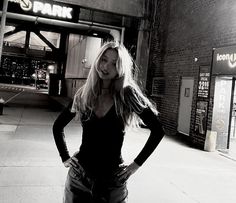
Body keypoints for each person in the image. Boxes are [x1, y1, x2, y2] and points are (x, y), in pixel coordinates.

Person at [52, 41, 165, 203]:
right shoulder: (84, 94)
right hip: (79, 178)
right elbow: (58, 126)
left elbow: (158, 130)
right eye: (104, 60)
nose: (106, 67)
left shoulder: (127, 94)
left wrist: (135, 165)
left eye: (114, 63)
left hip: (112, 181)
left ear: (120, 69)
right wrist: (65, 157)